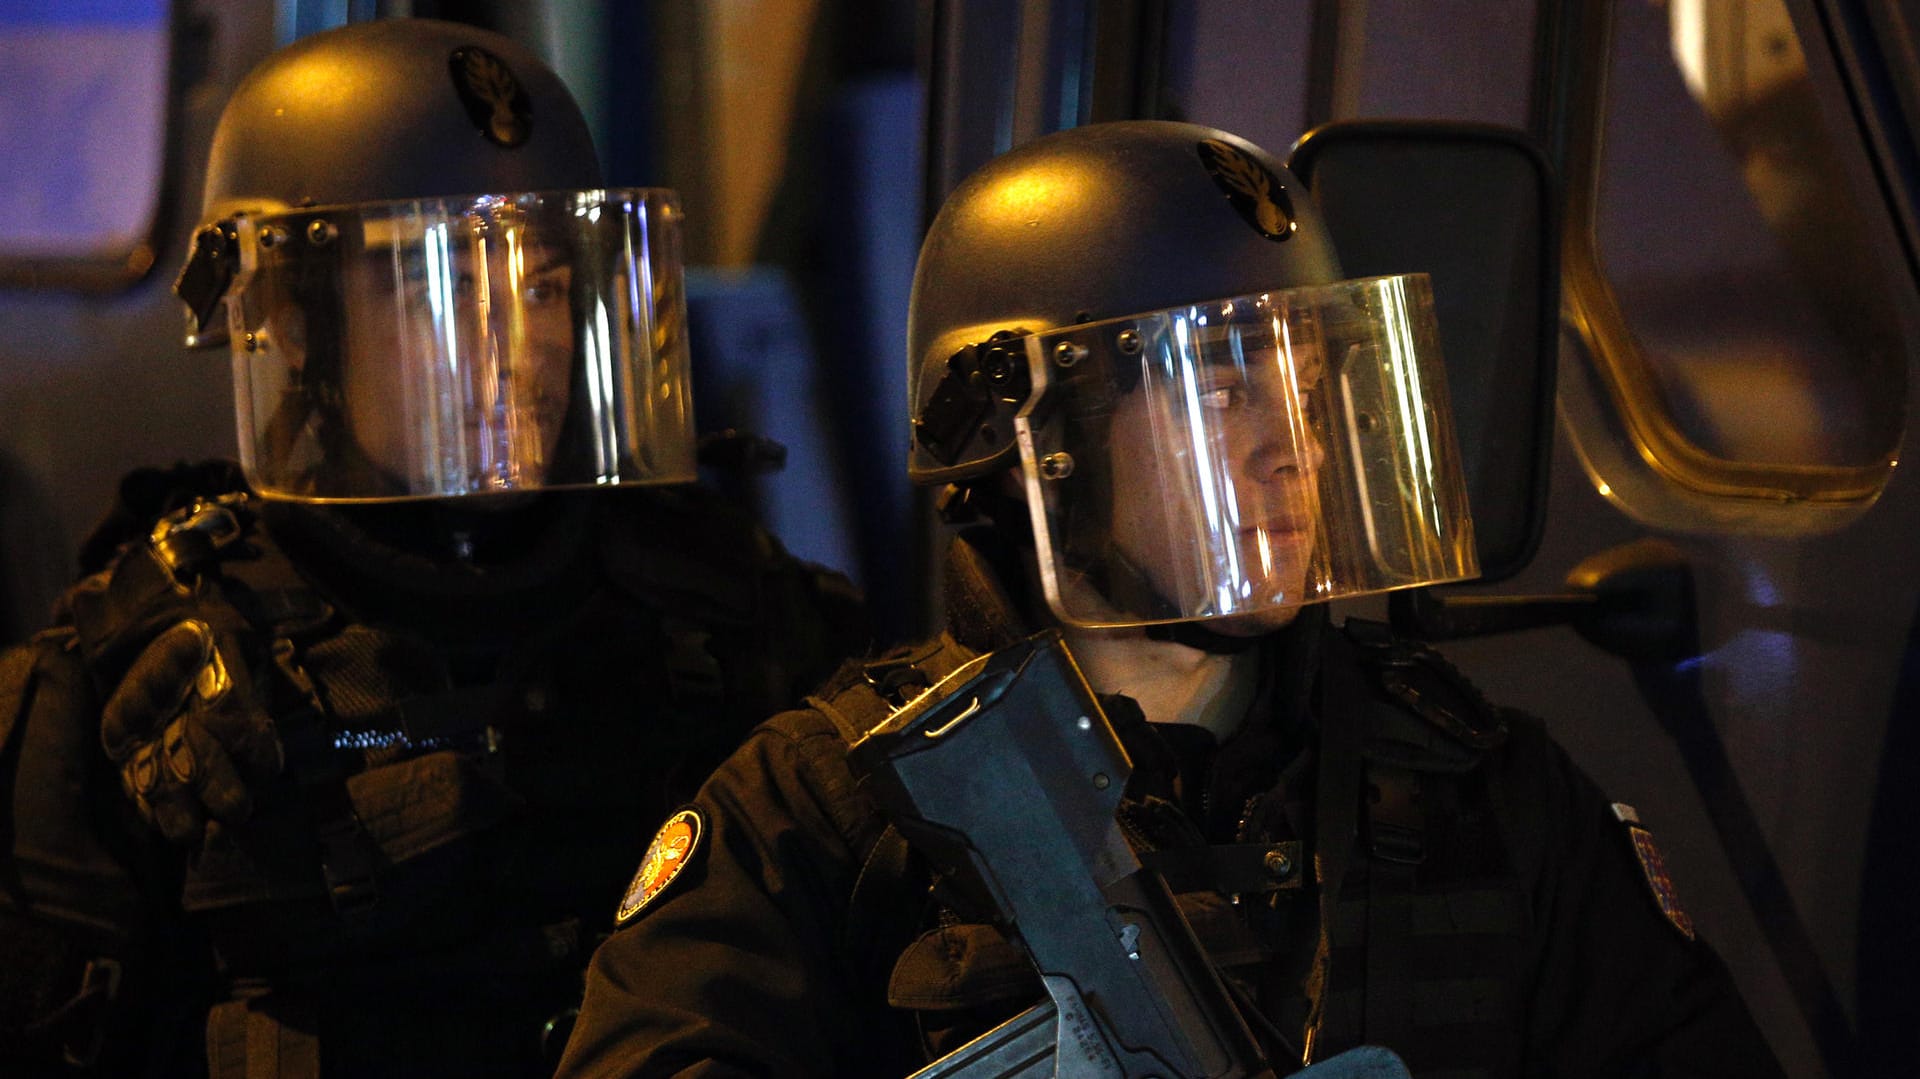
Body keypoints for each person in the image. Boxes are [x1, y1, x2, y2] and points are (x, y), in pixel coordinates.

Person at [553, 121, 1785, 1078]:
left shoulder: (1489, 792)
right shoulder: (827, 810)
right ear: (1040, 439)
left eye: (1307, 388)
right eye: (1219, 389)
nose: (1288, 445)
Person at [0, 18, 867, 1079]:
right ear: (296, 321)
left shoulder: (736, 613)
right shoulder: (134, 692)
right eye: (443, 290)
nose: (516, 349)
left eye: (545, 286)